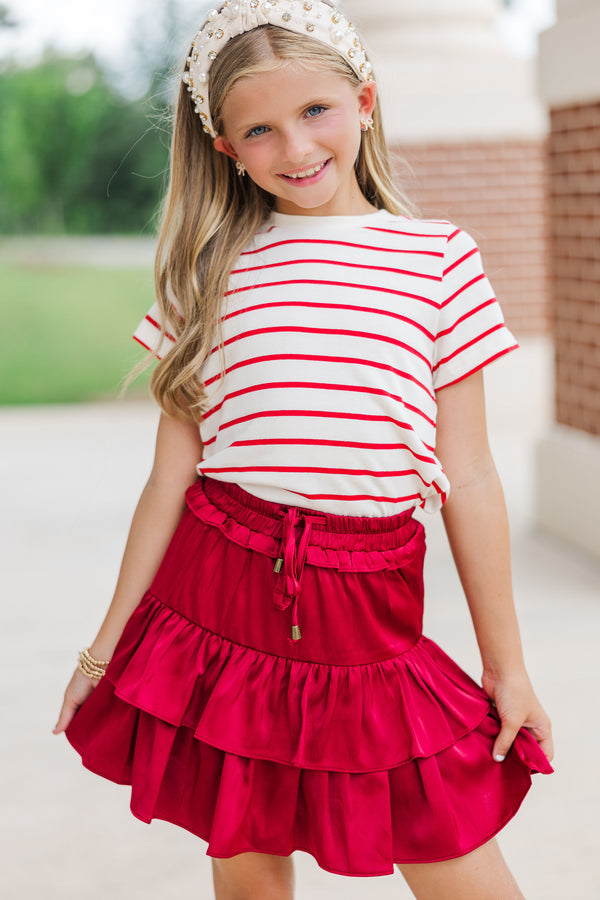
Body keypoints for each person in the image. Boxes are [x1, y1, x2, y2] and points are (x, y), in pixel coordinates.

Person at [53, 2, 554, 897]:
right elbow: (171, 478)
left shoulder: (438, 258)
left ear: (364, 100)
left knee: (449, 849)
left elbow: (469, 474)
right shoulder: (211, 268)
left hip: (366, 600)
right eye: (260, 129)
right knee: (247, 860)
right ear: (224, 147)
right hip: (220, 592)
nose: (295, 148)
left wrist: (504, 665)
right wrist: (103, 652)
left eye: (315, 112)